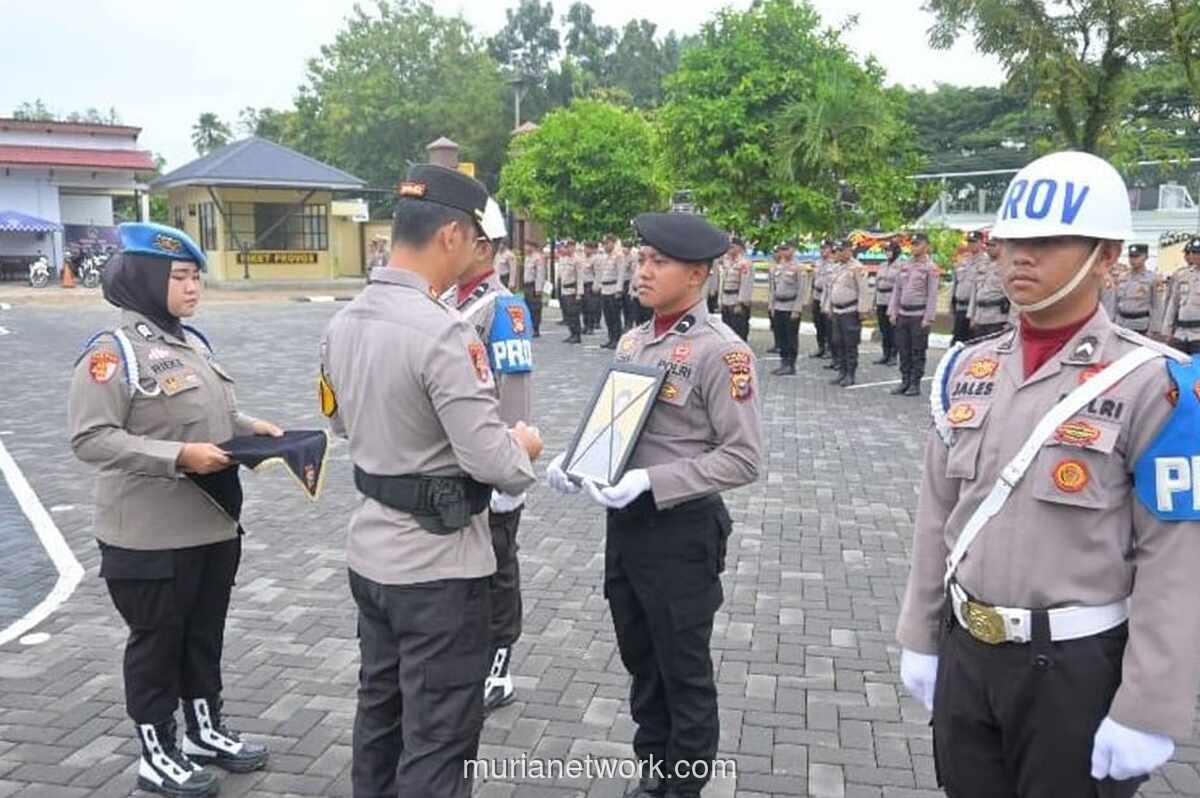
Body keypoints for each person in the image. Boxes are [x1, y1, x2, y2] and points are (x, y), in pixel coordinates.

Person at [897, 150, 1200, 798]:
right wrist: (920, 636)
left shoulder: (1160, 385)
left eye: (1047, 242)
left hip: (1076, 672)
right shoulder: (967, 369)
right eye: (1008, 243)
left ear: (1107, 254)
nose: (1018, 259)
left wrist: (1149, 707)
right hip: (968, 652)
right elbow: (936, 519)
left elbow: (1177, 561)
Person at [319, 164, 544, 798]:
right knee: (440, 739)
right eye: (476, 240)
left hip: (372, 555)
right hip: (439, 567)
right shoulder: (443, 331)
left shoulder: (344, 321)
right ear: (450, 235)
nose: (477, 252)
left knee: (380, 718)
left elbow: (339, 426)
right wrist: (521, 445)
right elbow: (496, 465)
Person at [547, 212, 762, 798]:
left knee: (683, 673)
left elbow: (744, 458)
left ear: (696, 274)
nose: (642, 271)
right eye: (641, 260)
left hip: (681, 532)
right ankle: (653, 776)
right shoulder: (635, 339)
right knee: (643, 663)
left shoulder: (722, 352)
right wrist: (575, 462)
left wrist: (652, 482)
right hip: (629, 529)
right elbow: (615, 427)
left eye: (656, 262)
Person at [68, 222, 277, 797]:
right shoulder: (113, 354)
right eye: (180, 277)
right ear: (144, 279)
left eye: (195, 277)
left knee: (203, 635)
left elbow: (208, 417)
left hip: (211, 525)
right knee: (157, 643)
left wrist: (249, 428)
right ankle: (156, 753)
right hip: (148, 538)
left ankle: (203, 733)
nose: (193, 288)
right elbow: (91, 439)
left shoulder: (192, 343)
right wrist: (178, 456)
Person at [440, 204, 536, 714]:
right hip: (458, 467)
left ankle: (498, 668)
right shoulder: (451, 299)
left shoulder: (503, 309)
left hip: (493, 469)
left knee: (499, 570)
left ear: (482, 246)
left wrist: (508, 475)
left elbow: (514, 399)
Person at [888, 232, 940, 396]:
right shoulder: (905, 265)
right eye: (913, 244)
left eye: (917, 244)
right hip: (903, 314)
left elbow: (932, 295)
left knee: (917, 351)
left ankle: (915, 383)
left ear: (926, 246)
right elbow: (897, 290)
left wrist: (928, 318)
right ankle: (905, 381)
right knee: (903, 349)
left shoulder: (930, 268)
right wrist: (893, 311)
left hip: (918, 315)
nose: (914, 247)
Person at [821, 239, 871, 387]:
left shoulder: (857, 268)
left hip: (850, 311)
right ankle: (841, 372)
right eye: (837, 251)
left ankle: (850, 374)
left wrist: (863, 310)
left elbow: (863, 290)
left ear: (849, 250)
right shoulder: (838, 267)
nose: (839, 253)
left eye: (841, 250)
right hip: (837, 310)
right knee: (838, 342)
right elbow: (832, 289)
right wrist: (829, 307)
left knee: (850, 344)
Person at [1160, 237, 1200, 354]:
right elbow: (1173, 304)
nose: (1194, 255)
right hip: (1181, 333)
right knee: (1176, 366)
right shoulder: (1183, 275)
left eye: (1198, 252)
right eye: (1193, 252)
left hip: (1198, 335)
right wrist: (1166, 331)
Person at [770, 242, 804, 375]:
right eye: (781, 249)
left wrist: (797, 309)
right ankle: (783, 362)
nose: (783, 252)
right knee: (781, 336)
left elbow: (802, 290)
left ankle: (791, 364)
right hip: (779, 306)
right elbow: (773, 288)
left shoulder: (799, 268)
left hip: (791, 306)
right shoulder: (778, 267)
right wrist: (772, 305)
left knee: (791, 337)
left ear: (793, 250)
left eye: (786, 249)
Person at [1110, 243, 1157, 336]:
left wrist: (1154, 329)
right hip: (1121, 323)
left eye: (1137, 256)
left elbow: (1156, 305)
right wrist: (1112, 321)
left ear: (1146, 257)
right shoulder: (1122, 277)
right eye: (1131, 256)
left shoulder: (1152, 279)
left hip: (1140, 325)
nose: (1133, 260)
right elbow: (1115, 301)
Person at [968, 236, 1009, 339]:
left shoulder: (1007, 267)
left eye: (993, 245)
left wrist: (1011, 321)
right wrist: (972, 316)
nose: (989, 247)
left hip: (997, 318)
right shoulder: (982, 266)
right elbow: (975, 293)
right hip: (980, 317)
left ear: (1003, 247)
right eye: (987, 245)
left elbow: (1013, 296)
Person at [873, 240, 903, 365]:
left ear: (896, 252)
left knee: (893, 329)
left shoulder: (901, 266)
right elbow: (877, 284)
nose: (887, 253)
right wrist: (874, 301)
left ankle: (893, 356)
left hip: (892, 299)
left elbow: (901, 286)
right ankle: (885, 353)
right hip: (881, 299)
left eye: (890, 250)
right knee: (883, 328)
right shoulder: (882, 265)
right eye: (886, 251)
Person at [950, 231, 982, 344]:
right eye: (969, 242)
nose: (971, 244)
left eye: (974, 242)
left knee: (972, 343)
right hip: (960, 308)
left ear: (981, 243)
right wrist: (951, 304)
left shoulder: (985, 262)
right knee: (956, 343)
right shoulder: (963, 261)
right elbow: (955, 283)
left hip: (974, 309)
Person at [719, 239, 753, 341]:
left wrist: (741, 302)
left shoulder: (745, 263)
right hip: (726, 298)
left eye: (732, 247)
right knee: (727, 327)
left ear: (740, 248)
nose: (729, 249)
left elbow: (746, 284)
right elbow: (723, 282)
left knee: (739, 328)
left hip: (737, 298)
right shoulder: (727, 262)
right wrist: (721, 300)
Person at [808, 241, 835, 358]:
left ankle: (830, 348)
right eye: (821, 248)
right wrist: (810, 297)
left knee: (828, 324)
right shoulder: (817, 263)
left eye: (825, 248)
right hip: (817, 296)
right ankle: (821, 346)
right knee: (818, 323)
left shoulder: (834, 264)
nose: (822, 251)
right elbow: (813, 282)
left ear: (830, 250)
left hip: (828, 297)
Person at [599, 234, 626, 349]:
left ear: (612, 243)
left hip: (614, 288)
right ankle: (611, 338)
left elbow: (621, 273)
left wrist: (619, 289)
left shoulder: (618, 256)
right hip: (605, 289)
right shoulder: (606, 256)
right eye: (604, 244)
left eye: (607, 243)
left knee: (615, 316)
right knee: (608, 316)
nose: (605, 246)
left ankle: (617, 339)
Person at [558, 240, 584, 344]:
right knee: (568, 314)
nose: (567, 249)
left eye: (569, 247)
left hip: (573, 290)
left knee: (574, 314)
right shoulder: (563, 259)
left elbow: (580, 277)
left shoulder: (577, 260)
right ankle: (571, 333)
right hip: (564, 290)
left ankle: (577, 335)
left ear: (573, 247)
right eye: (566, 247)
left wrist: (579, 293)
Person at [520, 239, 547, 337]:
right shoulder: (528, 257)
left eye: (527, 246)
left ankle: (536, 328)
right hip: (527, 285)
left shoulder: (538, 258)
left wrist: (538, 288)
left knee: (535, 308)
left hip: (534, 286)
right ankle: (530, 327)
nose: (525, 248)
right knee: (528, 307)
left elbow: (540, 274)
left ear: (532, 246)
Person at [581, 241, 601, 335]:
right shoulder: (582, 259)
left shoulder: (595, 259)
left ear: (592, 249)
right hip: (583, 285)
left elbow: (597, 274)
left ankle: (591, 326)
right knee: (584, 307)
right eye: (585, 248)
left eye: (587, 248)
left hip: (591, 285)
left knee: (591, 307)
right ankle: (585, 325)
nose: (585, 250)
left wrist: (596, 286)